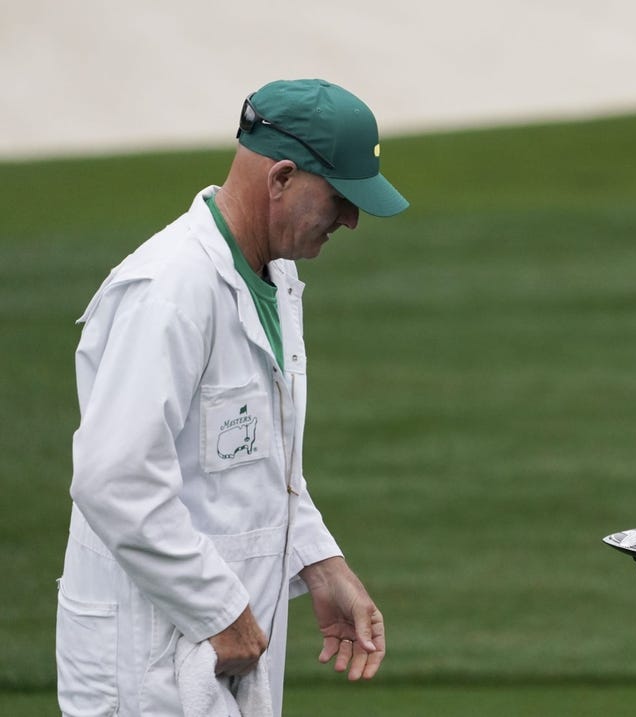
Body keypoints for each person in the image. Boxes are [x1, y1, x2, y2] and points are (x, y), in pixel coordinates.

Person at [56, 78, 409, 716]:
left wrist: (321, 564)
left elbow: (251, 461)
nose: (351, 220)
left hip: (217, 655)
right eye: (340, 198)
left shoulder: (273, 279)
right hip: (144, 670)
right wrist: (218, 609)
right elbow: (114, 479)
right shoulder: (169, 292)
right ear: (280, 177)